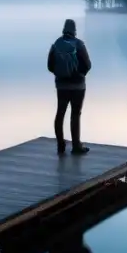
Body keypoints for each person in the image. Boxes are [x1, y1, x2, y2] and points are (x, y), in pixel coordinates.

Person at [47, 18, 92, 155]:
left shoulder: (56, 44)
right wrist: (79, 74)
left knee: (60, 113)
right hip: (78, 86)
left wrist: (60, 75)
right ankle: (76, 146)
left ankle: (60, 145)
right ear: (74, 30)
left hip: (61, 86)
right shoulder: (79, 44)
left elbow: (50, 66)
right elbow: (88, 65)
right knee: (75, 114)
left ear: (63, 29)